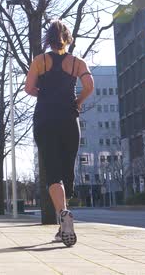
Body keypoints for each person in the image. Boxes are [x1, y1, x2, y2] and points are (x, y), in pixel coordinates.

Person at [24, 19, 94, 247]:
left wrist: (45, 95)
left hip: (45, 119)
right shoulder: (77, 62)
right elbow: (89, 86)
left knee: (53, 172)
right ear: (68, 37)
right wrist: (78, 101)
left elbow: (28, 88)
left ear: (48, 38)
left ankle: (63, 214)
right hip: (68, 119)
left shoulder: (39, 61)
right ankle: (62, 220)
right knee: (66, 170)